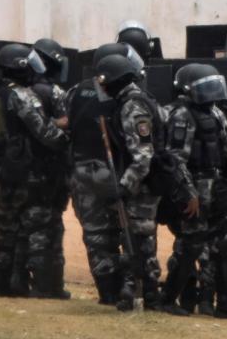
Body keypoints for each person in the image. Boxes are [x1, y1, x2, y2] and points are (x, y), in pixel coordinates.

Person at [159, 64, 227, 320]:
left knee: (224, 245)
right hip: (194, 188)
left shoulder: (216, 113)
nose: (212, 93)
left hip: (216, 184)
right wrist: (189, 193)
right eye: (205, 88)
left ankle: (226, 304)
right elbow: (176, 159)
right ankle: (168, 299)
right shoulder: (181, 115)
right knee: (190, 246)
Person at [0, 44, 69, 298]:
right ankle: (42, 286)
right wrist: (66, 132)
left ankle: (3, 283)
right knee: (34, 226)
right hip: (18, 170)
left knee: (5, 227)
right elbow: (46, 134)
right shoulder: (21, 95)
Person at [64, 44, 135, 308]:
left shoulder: (74, 91)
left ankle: (107, 292)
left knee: (95, 235)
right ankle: (128, 287)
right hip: (112, 169)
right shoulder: (119, 92)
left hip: (81, 170)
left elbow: (67, 123)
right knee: (123, 228)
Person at [99, 50, 171, 311]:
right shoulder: (139, 99)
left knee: (140, 240)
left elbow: (143, 155)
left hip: (144, 183)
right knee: (138, 238)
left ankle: (148, 295)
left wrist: (124, 186)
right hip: (145, 180)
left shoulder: (133, 105)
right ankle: (139, 292)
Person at [26, 38, 72, 299]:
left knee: (25, 227)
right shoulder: (54, 93)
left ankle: (21, 281)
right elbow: (64, 127)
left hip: (23, 169)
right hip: (49, 169)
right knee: (48, 227)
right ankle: (46, 286)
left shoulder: (20, 90)